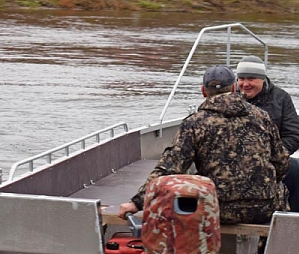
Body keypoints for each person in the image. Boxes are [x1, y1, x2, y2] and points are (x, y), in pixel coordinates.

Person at [118, 65, 289, 225]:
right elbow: (281, 162)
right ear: (234, 88)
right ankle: (266, 252)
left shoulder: (195, 123)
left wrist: (137, 202)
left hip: (215, 208)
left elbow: (169, 169)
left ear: (203, 91)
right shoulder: (262, 117)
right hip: (263, 208)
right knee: (282, 189)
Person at [236, 56, 299, 213]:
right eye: (241, 79)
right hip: (235, 160)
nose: (245, 84)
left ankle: (294, 217)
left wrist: (274, 156)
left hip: (271, 159)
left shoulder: (281, 98)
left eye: (251, 79)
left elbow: (293, 134)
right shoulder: (229, 98)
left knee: (295, 169)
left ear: (262, 79)